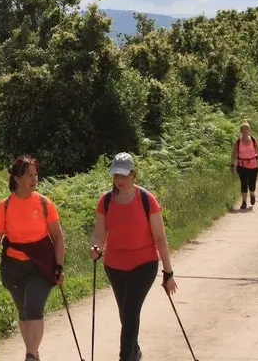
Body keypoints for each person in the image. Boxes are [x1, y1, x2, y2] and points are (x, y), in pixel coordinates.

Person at [89, 152, 178, 361]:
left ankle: (125, 357)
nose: (119, 180)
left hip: (143, 264)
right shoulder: (106, 201)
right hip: (114, 266)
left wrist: (168, 271)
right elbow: (99, 234)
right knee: (125, 312)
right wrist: (96, 248)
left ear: (133, 174)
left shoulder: (146, 199)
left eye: (123, 175)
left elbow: (160, 237)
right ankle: (134, 350)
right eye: (116, 176)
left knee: (129, 310)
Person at [0, 155, 66, 361]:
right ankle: (34, 352)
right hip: (14, 266)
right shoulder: (5, 205)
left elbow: (57, 236)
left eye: (36, 175)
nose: (34, 179)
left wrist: (59, 266)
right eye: (30, 175)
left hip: (41, 264)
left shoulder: (45, 203)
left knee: (33, 307)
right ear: (17, 178)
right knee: (23, 312)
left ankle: (30, 354)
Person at [230, 121, 258, 209]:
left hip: (253, 165)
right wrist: (232, 164)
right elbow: (233, 154)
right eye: (243, 129)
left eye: (246, 129)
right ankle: (244, 202)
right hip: (241, 165)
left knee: (252, 184)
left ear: (249, 130)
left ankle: (252, 194)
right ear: (240, 131)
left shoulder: (253, 140)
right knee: (244, 183)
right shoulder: (238, 142)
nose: (245, 131)